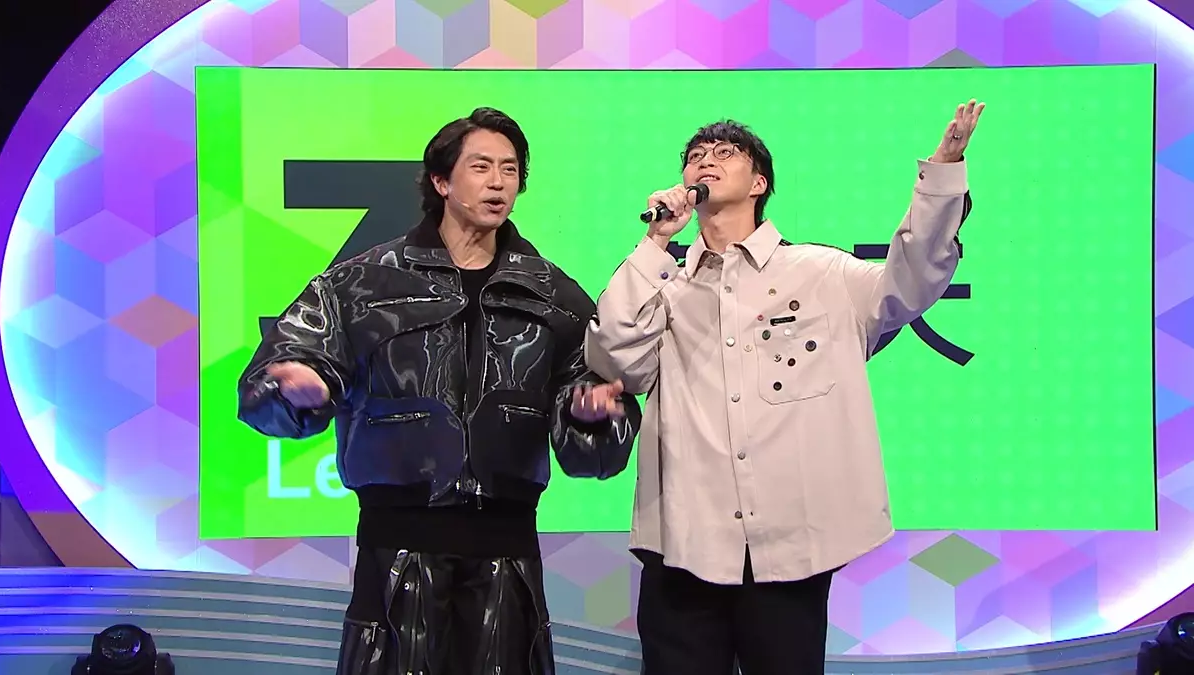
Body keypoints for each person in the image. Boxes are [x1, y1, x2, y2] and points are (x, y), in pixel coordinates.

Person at [237, 107, 642, 675]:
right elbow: (271, 378)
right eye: (481, 166)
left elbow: (591, 397)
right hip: (397, 546)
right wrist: (298, 391)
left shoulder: (552, 292)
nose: (498, 182)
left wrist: (591, 412)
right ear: (442, 181)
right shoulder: (362, 282)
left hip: (507, 549)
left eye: (510, 169)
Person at [584, 100, 985, 675]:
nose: (706, 161)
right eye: (696, 156)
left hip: (792, 547)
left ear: (759, 183)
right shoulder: (665, 288)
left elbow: (911, 282)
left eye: (726, 153)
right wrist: (655, 244)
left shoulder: (821, 272)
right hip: (684, 543)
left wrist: (942, 174)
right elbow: (614, 356)